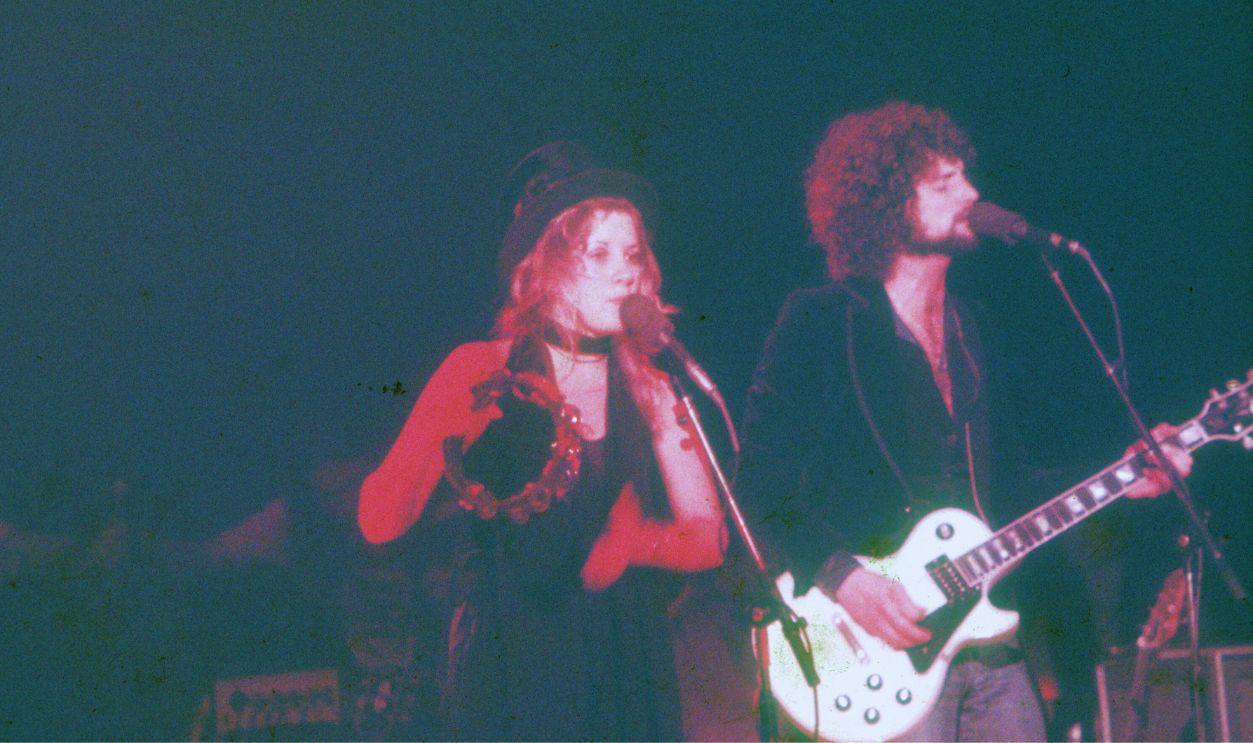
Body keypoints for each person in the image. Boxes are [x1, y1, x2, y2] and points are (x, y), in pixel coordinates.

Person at [734, 101, 1194, 741]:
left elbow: (1010, 488)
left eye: (965, 177)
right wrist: (842, 577)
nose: (972, 194)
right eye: (944, 184)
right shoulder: (820, 321)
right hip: (877, 647)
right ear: (887, 204)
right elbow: (757, 484)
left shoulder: (972, 327)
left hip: (989, 645)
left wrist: (1123, 475)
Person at [357, 141, 726, 741]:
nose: (624, 270)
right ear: (545, 264)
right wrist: (434, 427)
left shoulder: (653, 387)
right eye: (598, 252)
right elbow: (379, 522)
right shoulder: (483, 371)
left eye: (632, 253)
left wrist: (638, 543)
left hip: (628, 666)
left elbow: (710, 538)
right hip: (519, 673)